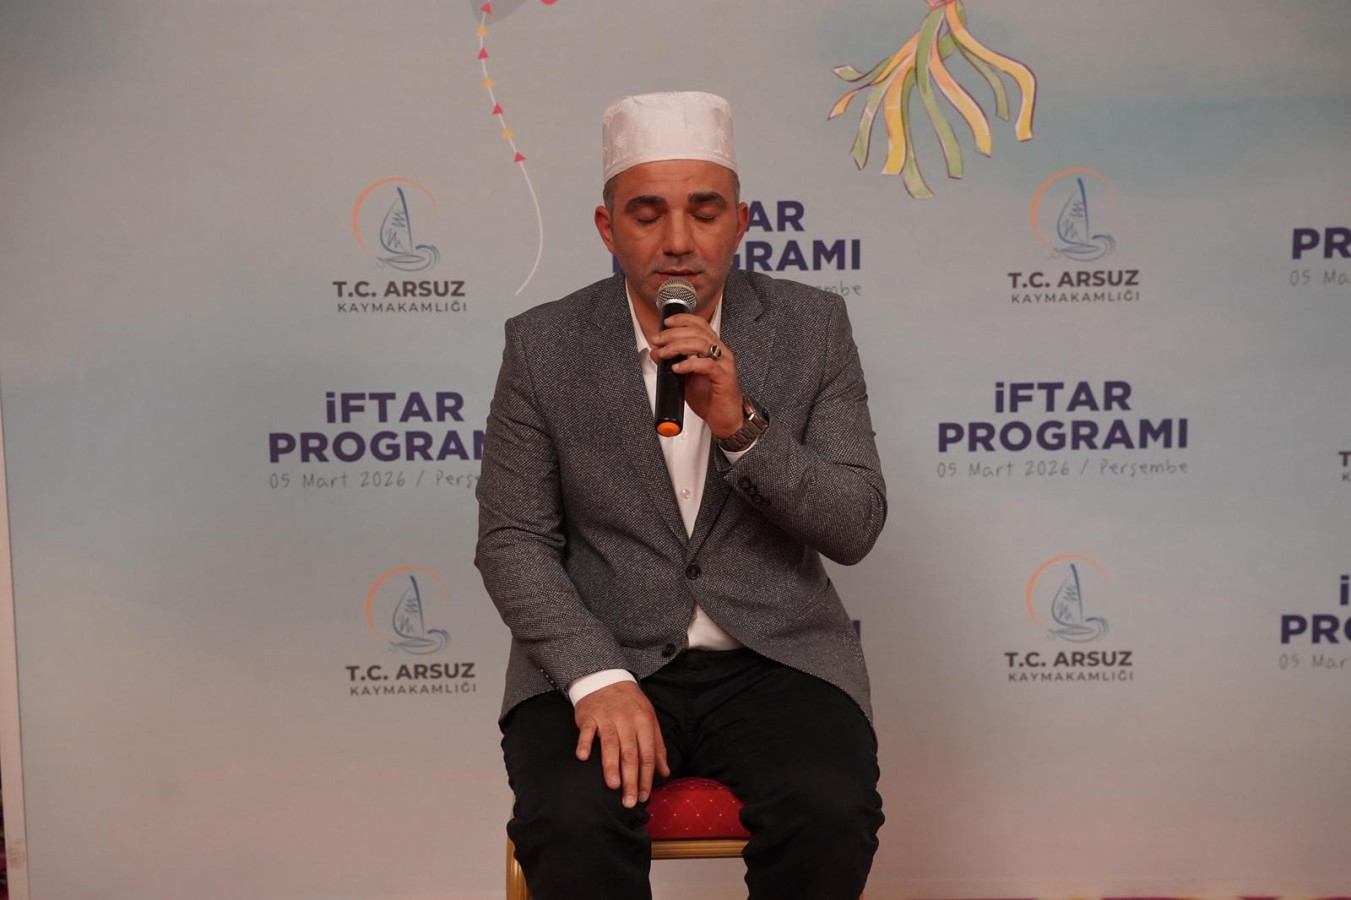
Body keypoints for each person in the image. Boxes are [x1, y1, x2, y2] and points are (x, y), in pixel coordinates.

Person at [476, 91, 886, 900]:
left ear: (740, 221)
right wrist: (595, 676)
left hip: (775, 658)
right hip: (603, 650)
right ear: (607, 228)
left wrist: (740, 426)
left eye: (704, 212)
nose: (676, 242)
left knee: (828, 811)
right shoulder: (542, 345)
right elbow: (512, 540)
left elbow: (855, 524)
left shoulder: (812, 327)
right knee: (571, 824)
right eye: (646, 214)